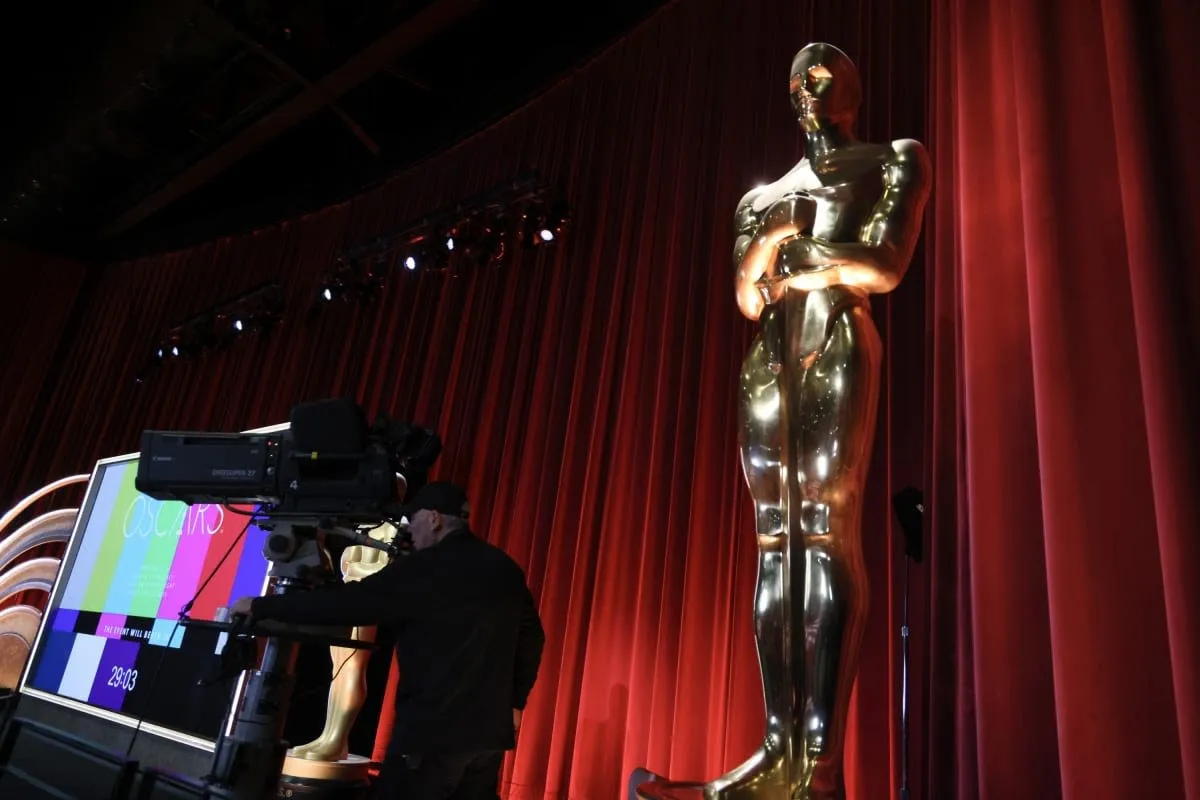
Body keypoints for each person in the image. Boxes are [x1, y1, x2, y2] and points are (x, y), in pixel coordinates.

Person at [232, 481, 546, 799]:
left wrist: (260, 605)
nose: (410, 530)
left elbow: (348, 605)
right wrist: (515, 701)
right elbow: (533, 639)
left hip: (430, 735)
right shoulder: (505, 568)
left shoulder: (424, 568)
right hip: (487, 737)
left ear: (434, 518)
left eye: (414, 520)